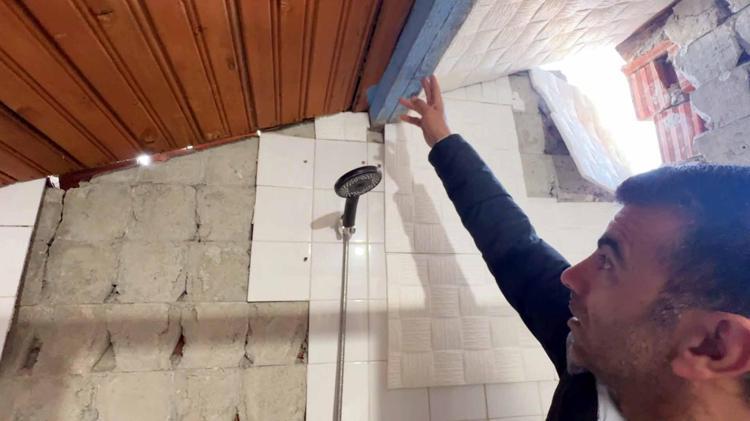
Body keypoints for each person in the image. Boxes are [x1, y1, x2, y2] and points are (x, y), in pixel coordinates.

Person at [399, 75, 750, 421]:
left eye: (609, 263)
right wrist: (443, 141)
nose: (569, 276)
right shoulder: (594, 362)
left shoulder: (606, 346)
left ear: (714, 346)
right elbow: (515, 246)